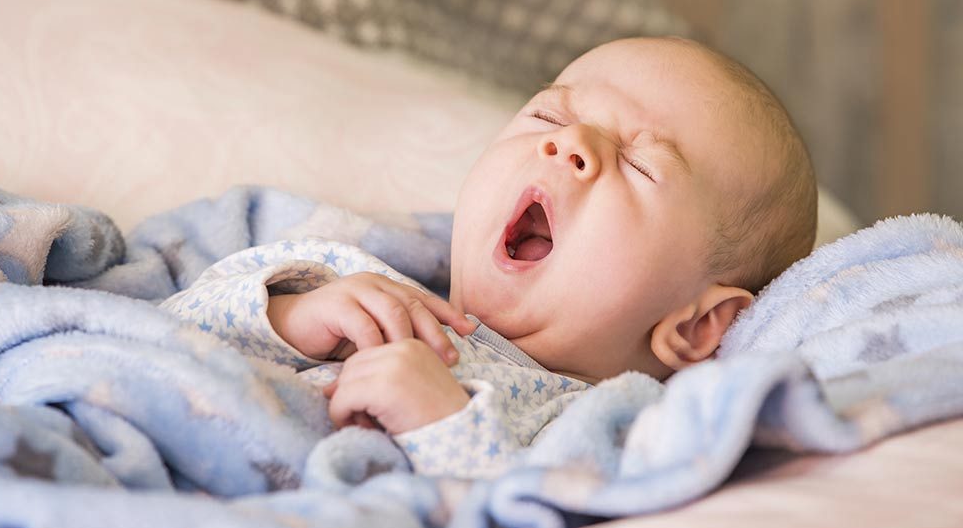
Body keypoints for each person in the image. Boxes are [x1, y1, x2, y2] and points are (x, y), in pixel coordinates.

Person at [160, 36, 817, 478]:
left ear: (698, 326)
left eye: (641, 162)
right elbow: (165, 330)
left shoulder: (603, 423)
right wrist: (289, 317)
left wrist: (441, 423)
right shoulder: (358, 276)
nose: (569, 144)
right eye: (547, 118)